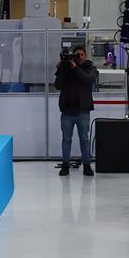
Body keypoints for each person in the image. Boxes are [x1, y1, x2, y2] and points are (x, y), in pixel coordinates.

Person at [54, 45, 99, 177]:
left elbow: (89, 80)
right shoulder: (66, 68)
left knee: (84, 139)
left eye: (81, 55)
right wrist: (62, 68)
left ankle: (87, 165)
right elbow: (58, 85)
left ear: (85, 56)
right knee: (66, 139)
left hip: (83, 111)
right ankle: (65, 165)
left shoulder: (90, 68)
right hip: (67, 111)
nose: (79, 57)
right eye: (76, 55)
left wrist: (75, 68)